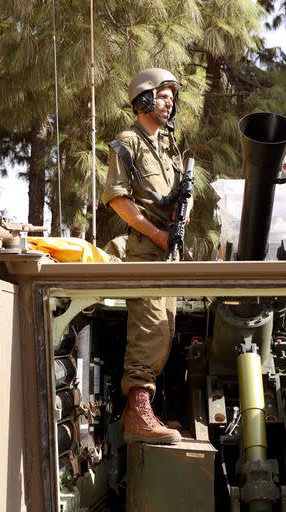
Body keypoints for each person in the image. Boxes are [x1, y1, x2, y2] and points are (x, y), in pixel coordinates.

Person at [101, 68, 188, 444]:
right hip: (146, 250)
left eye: (172, 96)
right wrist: (156, 234)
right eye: (164, 95)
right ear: (145, 99)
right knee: (150, 329)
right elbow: (118, 199)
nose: (170, 102)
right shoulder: (128, 141)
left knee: (165, 330)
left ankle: (146, 410)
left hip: (168, 253)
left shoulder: (168, 148)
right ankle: (137, 414)